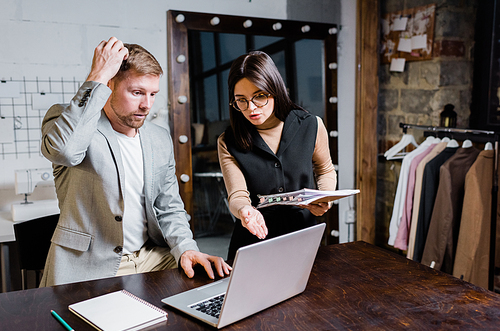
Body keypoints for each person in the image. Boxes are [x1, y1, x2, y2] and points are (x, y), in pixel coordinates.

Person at [40, 37, 231, 287]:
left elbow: (169, 206)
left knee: (210, 289)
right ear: (109, 85)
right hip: (92, 265)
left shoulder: (159, 137)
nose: (147, 105)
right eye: (137, 93)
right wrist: (98, 74)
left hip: (151, 257)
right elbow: (64, 151)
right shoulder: (70, 123)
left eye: (153, 94)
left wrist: (186, 247)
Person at [218, 51, 337, 260]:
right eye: (241, 101)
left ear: (275, 90)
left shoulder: (311, 125)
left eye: (260, 96)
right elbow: (237, 194)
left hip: (303, 236)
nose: (251, 108)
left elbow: (325, 169)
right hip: (253, 240)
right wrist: (245, 210)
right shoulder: (228, 141)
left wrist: (325, 197)